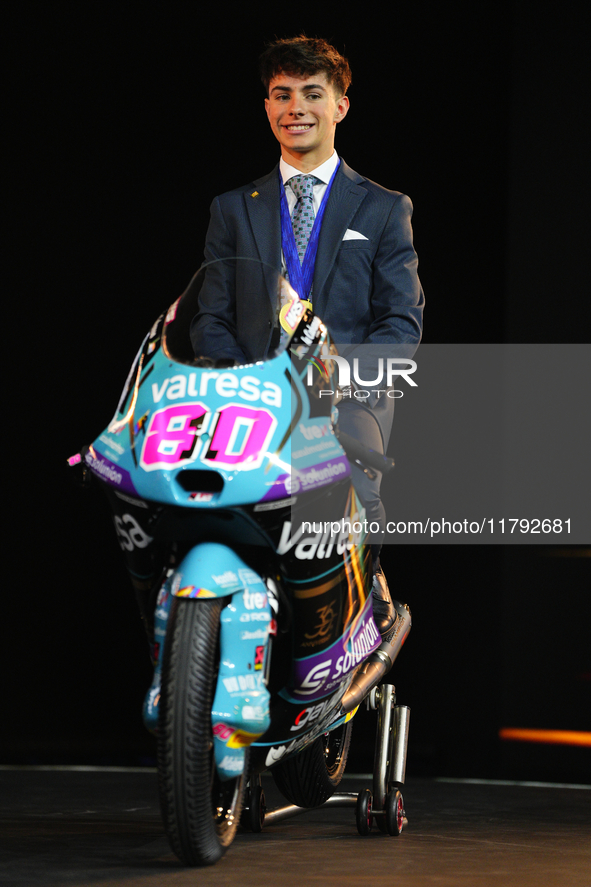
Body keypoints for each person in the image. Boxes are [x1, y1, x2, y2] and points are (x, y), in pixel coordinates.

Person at [190, 35, 424, 636]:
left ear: (340, 106)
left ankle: (357, 621)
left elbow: (401, 322)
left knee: (346, 513)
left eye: (312, 94)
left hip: (349, 400)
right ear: (267, 107)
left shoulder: (382, 208)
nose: (296, 107)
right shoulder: (231, 209)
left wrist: (345, 377)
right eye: (281, 94)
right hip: (253, 401)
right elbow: (211, 316)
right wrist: (230, 378)